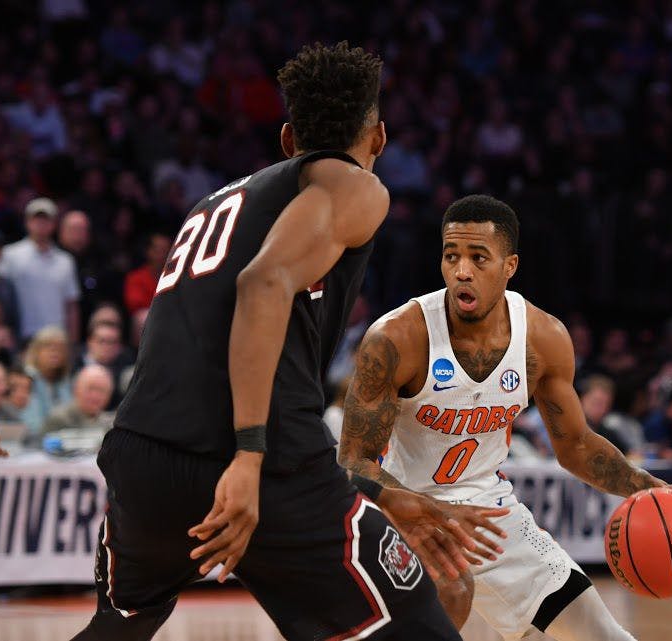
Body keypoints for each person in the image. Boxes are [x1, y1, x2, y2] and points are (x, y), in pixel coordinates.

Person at [72, 43, 504, 641]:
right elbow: (263, 282)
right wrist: (249, 456)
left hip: (140, 457)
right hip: (256, 461)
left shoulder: (214, 203)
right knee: (431, 607)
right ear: (377, 139)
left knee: (116, 627)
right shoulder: (354, 185)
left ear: (284, 138)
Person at [338, 194, 672, 640]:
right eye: (451, 256)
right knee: (452, 591)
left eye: (479, 258)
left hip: (492, 516)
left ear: (510, 266)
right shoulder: (398, 338)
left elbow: (576, 446)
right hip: (403, 513)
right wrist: (418, 508)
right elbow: (352, 463)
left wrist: (649, 487)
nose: (462, 270)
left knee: (607, 636)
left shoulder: (542, 338)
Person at [0, 197, 81, 343]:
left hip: (57, 338)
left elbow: (71, 305)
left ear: (54, 224)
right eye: (36, 219)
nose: (40, 224)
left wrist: (73, 342)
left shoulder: (65, 260)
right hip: (22, 338)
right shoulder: (10, 255)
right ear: (27, 222)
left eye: (45, 220)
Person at [21, 325, 72, 439]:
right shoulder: (27, 380)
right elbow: (33, 425)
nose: (54, 351)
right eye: (48, 346)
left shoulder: (67, 382)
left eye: (60, 348)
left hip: (65, 443)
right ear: (36, 351)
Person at [42, 364, 114, 434]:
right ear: (76, 389)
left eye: (101, 390)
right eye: (91, 388)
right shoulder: (59, 419)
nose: (95, 396)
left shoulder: (110, 424)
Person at [122, 232, 172, 314]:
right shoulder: (135, 278)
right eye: (157, 250)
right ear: (148, 251)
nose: (161, 255)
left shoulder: (174, 279)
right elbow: (134, 305)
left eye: (165, 251)